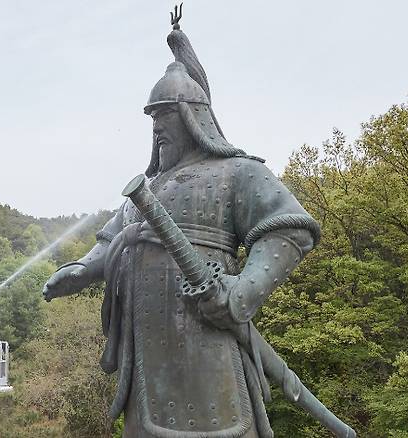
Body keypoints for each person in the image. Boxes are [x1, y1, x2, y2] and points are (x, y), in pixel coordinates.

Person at [39, 11, 348, 438]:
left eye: (164, 115)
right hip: (146, 353)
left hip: (204, 341)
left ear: (190, 115)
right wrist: (81, 269)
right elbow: (112, 239)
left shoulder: (236, 172)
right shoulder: (149, 187)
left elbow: (289, 229)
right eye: (152, 118)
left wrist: (243, 290)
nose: (156, 127)